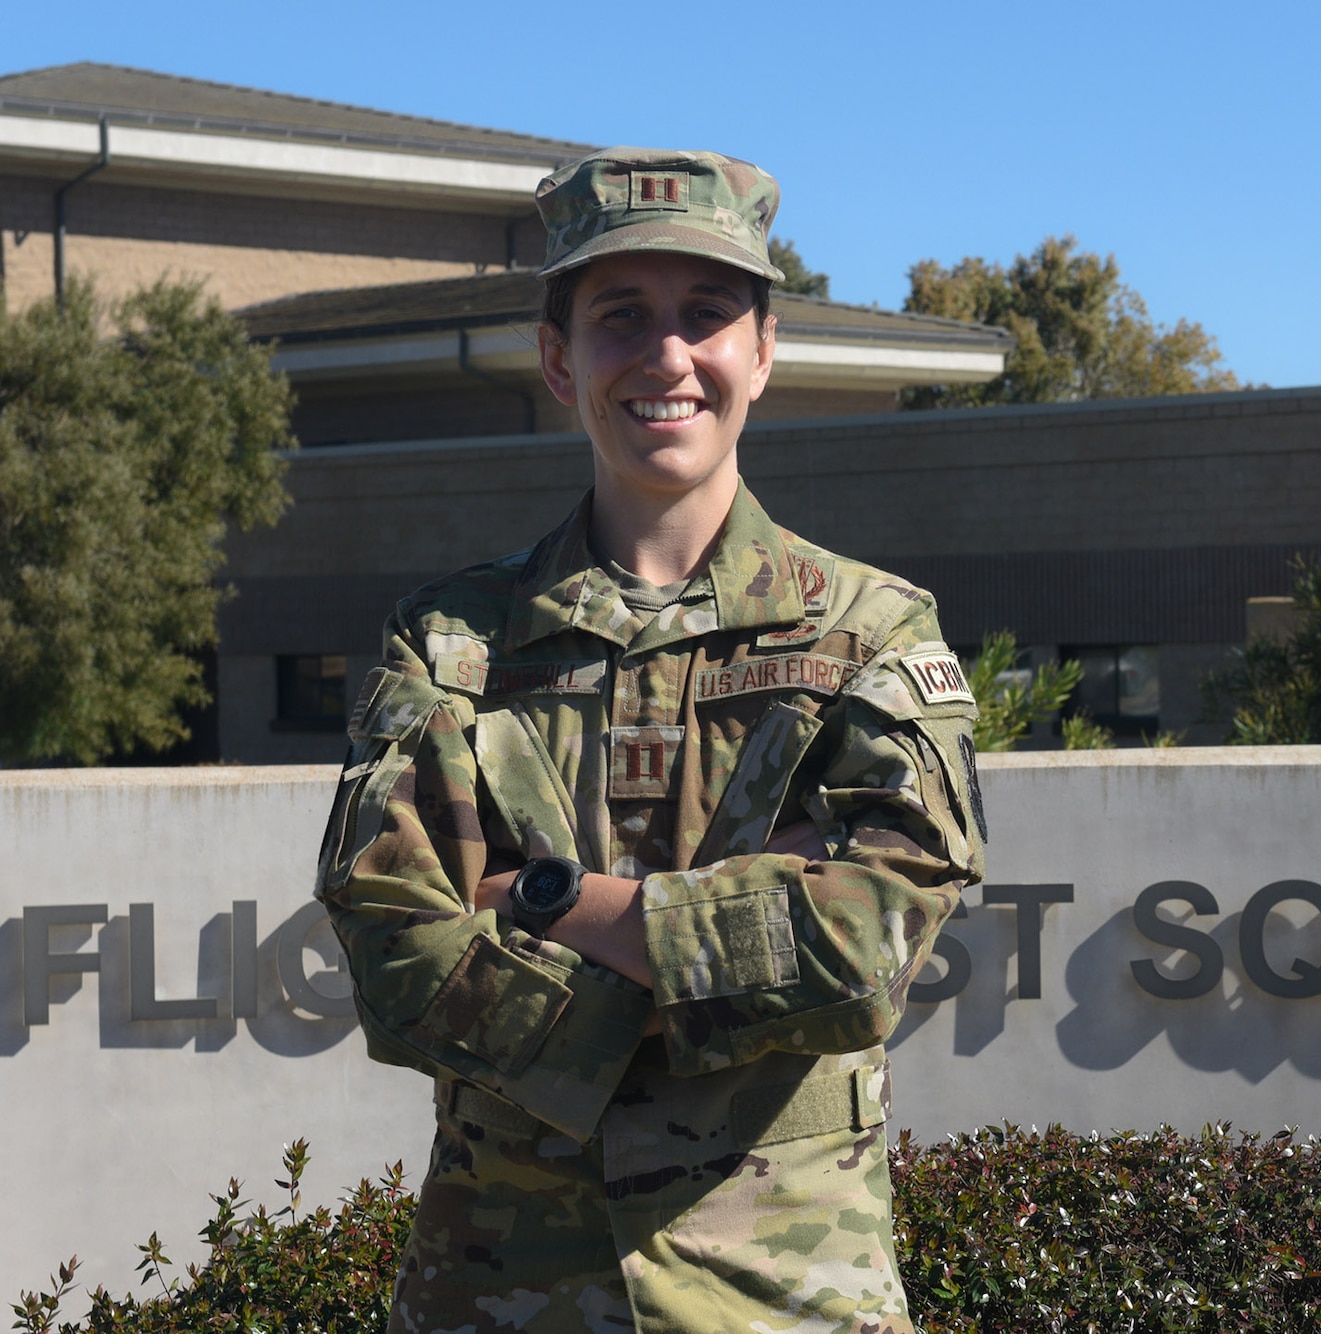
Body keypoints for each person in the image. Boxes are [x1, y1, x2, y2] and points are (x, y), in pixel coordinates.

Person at [315, 147, 986, 1333]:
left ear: (763, 351)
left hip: (784, 1295)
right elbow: (394, 957)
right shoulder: (450, 642)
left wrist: (548, 902)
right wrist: (733, 949)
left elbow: (870, 941)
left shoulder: (867, 632)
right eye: (620, 315)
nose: (666, 354)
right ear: (558, 356)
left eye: (707, 315)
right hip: (501, 1294)